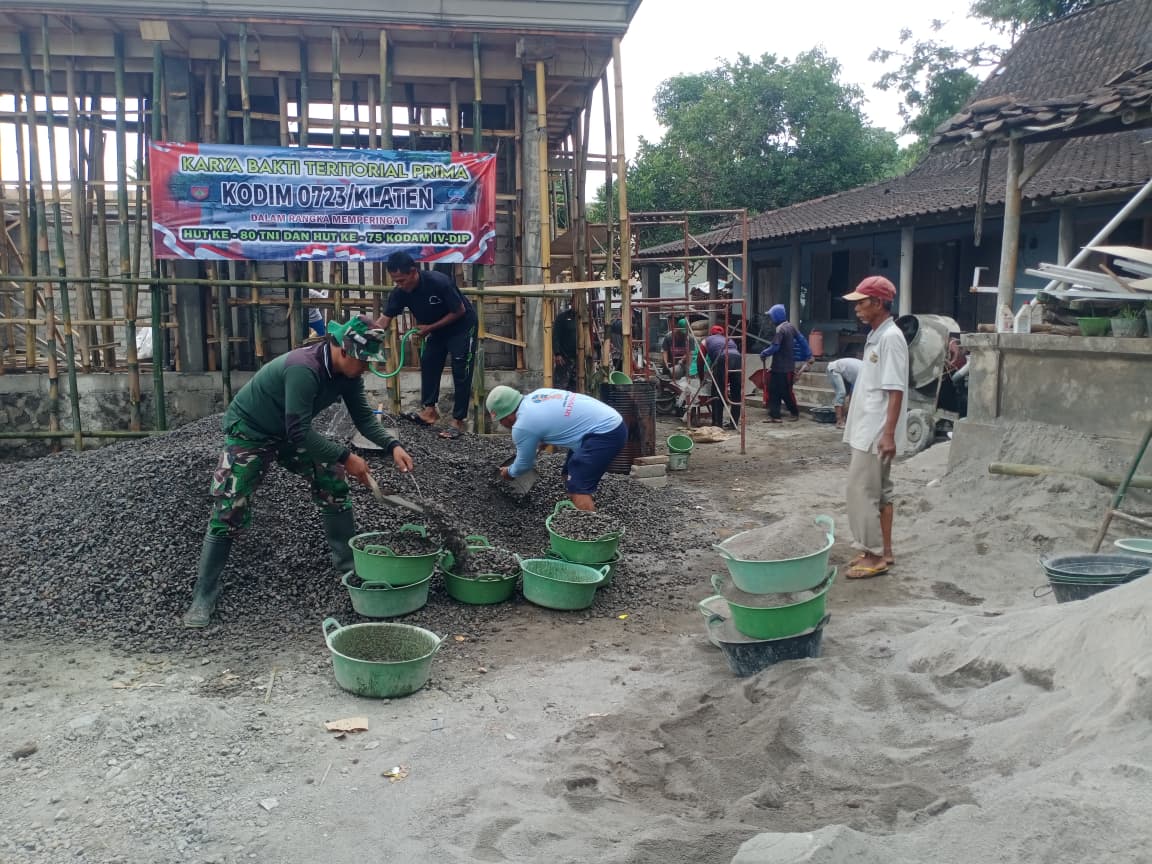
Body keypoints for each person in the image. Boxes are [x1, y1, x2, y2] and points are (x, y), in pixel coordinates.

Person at [183, 316, 416, 628]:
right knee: (231, 506)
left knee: (331, 478)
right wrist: (348, 457)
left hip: (288, 432)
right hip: (251, 431)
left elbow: (364, 417)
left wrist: (391, 445)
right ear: (345, 352)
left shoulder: (348, 376)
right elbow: (300, 433)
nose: (366, 369)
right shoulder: (304, 369)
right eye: (363, 362)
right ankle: (203, 594)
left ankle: (348, 570)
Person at [840, 276, 908, 579]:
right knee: (880, 493)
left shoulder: (890, 338)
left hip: (875, 431)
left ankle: (873, 554)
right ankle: (886, 551)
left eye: (862, 302)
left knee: (861, 491)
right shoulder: (877, 336)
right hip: (870, 428)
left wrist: (888, 434)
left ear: (878, 303)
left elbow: (895, 390)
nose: (857, 308)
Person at [374, 251, 477, 439]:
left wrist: (430, 328)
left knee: (461, 368)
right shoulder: (400, 292)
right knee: (429, 362)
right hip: (436, 329)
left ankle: (458, 421)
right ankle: (429, 411)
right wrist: (370, 335)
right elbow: (385, 318)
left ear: (414, 272)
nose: (400, 285)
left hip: (462, 326)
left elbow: (459, 310)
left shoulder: (439, 282)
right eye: (396, 281)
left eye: (402, 280)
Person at [487, 385, 626, 512]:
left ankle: (591, 533)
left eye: (500, 419)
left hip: (604, 433)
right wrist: (545, 439)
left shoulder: (522, 426)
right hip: (609, 421)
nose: (501, 423)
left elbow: (524, 464)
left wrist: (509, 473)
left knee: (578, 488)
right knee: (568, 473)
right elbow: (557, 416)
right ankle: (576, 508)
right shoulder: (538, 395)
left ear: (507, 415)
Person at [759, 304, 800, 422]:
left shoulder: (780, 329)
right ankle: (775, 415)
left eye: (772, 316)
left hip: (782, 367)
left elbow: (775, 347)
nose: (771, 319)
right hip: (782, 366)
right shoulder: (790, 326)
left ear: (776, 316)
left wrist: (764, 353)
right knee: (774, 391)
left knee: (784, 392)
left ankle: (794, 412)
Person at [699, 325, 743, 428]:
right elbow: (734, 354)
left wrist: (702, 378)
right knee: (736, 393)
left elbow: (700, 361)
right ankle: (734, 423)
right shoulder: (729, 340)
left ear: (711, 333)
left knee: (717, 392)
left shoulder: (706, 341)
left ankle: (717, 423)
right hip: (738, 359)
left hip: (722, 358)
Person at [826, 357, 862, 428]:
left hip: (844, 371)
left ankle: (844, 418)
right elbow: (853, 395)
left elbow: (852, 394)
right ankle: (839, 421)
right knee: (841, 393)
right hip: (834, 369)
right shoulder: (863, 374)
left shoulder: (865, 371)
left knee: (846, 394)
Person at [554, 305, 579, 391]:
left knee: (574, 385)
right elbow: (555, 336)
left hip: (578, 357)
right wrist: (557, 353)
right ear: (572, 301)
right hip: (564, 358)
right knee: (561, 385)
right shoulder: (562, 317)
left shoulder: (582, 317)